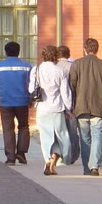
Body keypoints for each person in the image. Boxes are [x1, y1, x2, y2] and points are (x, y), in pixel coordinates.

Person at [69, 38, 102, 176]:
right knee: (97, 136)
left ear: (85, 49)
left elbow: (71, 86)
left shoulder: (77, 64)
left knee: (84, 138)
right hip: (100, 107)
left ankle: (86, 167)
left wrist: (71, 107)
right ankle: (94, 165)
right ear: (97, 49)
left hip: (81, 106)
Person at [0, 41, 33, 165]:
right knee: (23, 126)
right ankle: (21, 152)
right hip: (22, 101)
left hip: (5, 102)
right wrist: (31, 98)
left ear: (5, 52)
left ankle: (10, 158)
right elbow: (32, 84)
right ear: (19, 51)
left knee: (8, 129)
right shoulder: (27, 67)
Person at [30, 45, 72, 176]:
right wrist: (69, 108)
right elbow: (65, 92)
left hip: (42, 107)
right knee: (61, 136)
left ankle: (48, 160)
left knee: (46, 137)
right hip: (57, 108)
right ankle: (54, 163)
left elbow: (31, 89)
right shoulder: (59, 71)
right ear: (55, 56)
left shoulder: (36, 70)